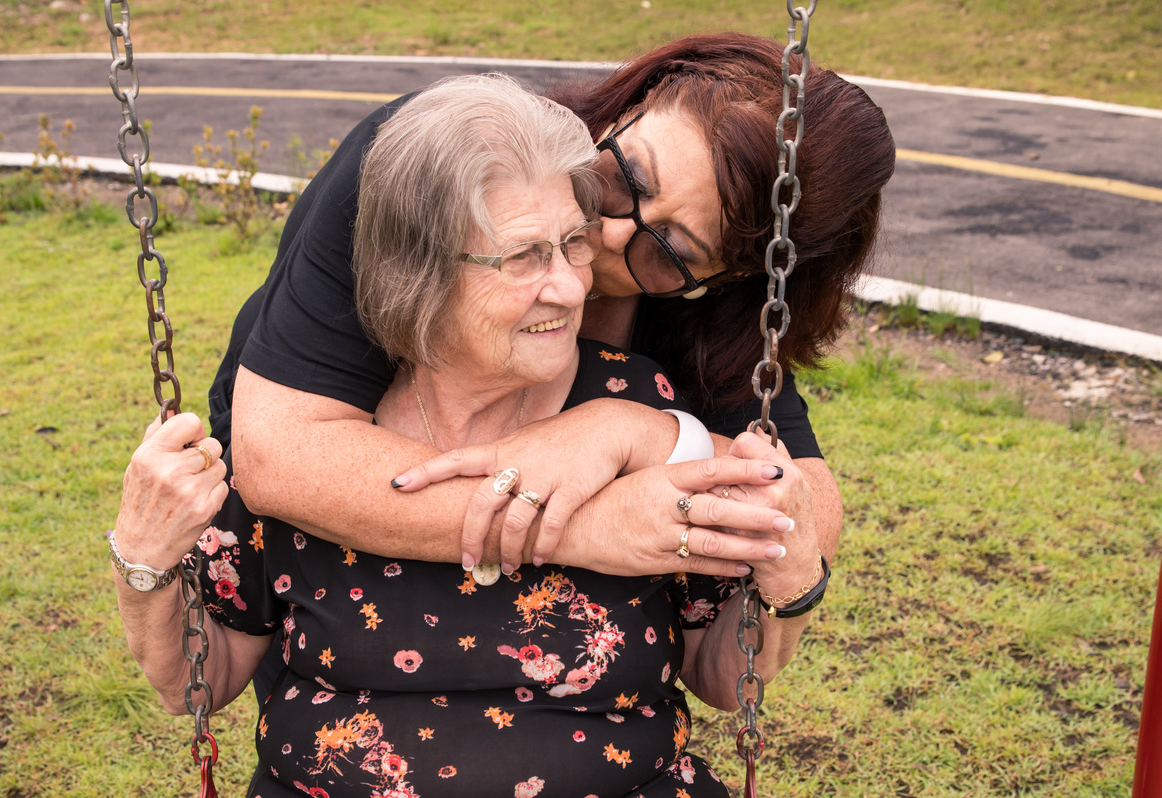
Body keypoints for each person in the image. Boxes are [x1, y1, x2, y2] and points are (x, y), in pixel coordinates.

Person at [114, 74, 827, 796]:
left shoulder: (641, 408)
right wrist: (143, 562)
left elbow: (721, 671)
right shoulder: (317, 448)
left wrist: (788, 587)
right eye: (523, 257)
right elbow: (196, 684)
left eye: (572, 245)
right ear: (416, 268)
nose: (574, 287)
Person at [207, 32, 896, 587]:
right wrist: (586, 529)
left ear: (722, 280)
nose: (613, 235)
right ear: (638, 99)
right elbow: (282, 454)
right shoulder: (433, 158)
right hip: (342, 551)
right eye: (625, 178)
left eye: (671, 252)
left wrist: (627, 431)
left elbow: (809, 505)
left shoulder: (709, 316)